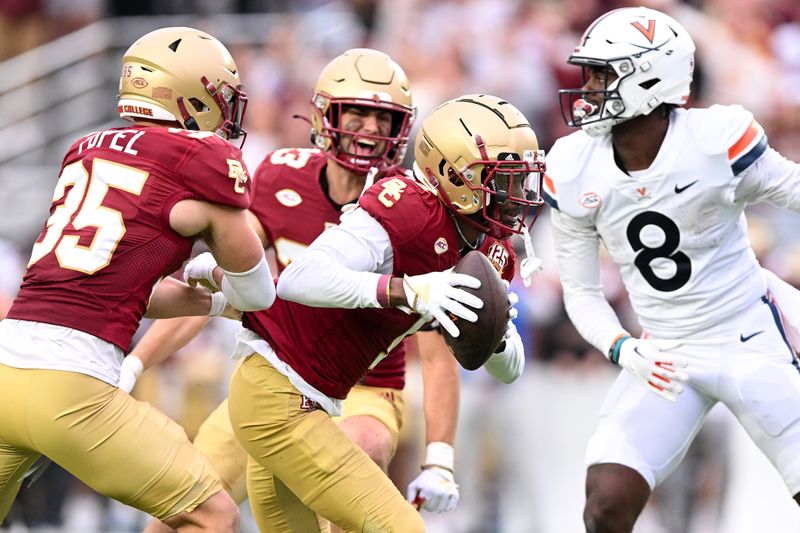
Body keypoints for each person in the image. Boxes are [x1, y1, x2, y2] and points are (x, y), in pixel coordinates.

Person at [126, 48, 468, 532]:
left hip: (366, 387)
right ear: (328, 114)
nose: (369, 128)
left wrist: (439, 457)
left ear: (401, 129)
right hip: (281, 374)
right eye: (358, 112)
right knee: (180, 513)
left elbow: (437, 351)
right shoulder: (281, 174)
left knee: (359, 452)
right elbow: (233, 282)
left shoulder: (411, 211)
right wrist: (135, 362)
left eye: (382, 117)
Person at [181, 93, 542, 532]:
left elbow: (508, 371)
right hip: (275, 394)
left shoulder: (492, 250)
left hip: (311, 404)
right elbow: (302, 278)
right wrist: (404, 290)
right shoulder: (407, 208)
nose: (517, 195)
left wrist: (499, 332)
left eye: (521, 179)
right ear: (452, 174)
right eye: (503, 179)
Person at [0, 26, 277, 532]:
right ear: (191, 95)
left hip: (5, 367)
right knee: (213, 516)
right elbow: (259, 291)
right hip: (72, 385)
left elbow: (118, 284)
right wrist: (213, 275)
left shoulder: (86, 147)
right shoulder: (201, 159)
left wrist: (212, 303)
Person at [546, 6, 800, 532]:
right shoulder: (574, 165)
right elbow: (581, 291)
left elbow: (794, 189)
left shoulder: (715, 140)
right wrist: (622, 347)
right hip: (665, 350)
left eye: (601, 73)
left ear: (648, 77)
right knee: (605, 502)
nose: (587, 86)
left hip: (749, 333)